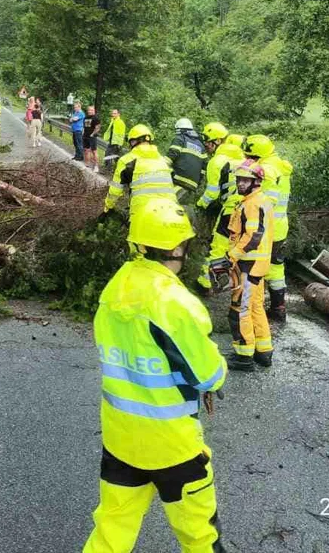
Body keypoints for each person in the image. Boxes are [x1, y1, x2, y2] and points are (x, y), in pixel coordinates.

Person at [82, 197, 227, 553]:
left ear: (140, 244)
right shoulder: (175, 303)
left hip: (121, 439)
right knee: (200, 537)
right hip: (173, 447)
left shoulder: (114, 289)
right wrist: (218, 370)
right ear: (178, 246)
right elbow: (207, 376)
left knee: (110, 533)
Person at [226, 162, 274, 372]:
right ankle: (263, 352)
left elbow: (253, 237)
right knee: (255, 307)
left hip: (248, 264)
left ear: (256, 182)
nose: (240, 183)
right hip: (257, 265)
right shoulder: (257, 201)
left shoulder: (252, 204)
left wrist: (231, 256)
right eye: (238, 179)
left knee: (240, 310)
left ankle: (244, 356)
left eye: (244, 180)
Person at [242, 135, 294, 324]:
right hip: (280, 226)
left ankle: (255, 308)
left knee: (257, 265)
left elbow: (266, 202)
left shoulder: (267, 170)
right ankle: (278, 307)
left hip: (266, 227)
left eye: (250, 156)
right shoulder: (280, 166)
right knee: (276, 267)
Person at [194, 130, 244, 295]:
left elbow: (212, 193)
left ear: (218, 141)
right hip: (250, 209)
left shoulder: (217, 161)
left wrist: (200, 205)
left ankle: (205, 284)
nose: (206, 145)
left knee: (218, 247)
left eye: (208, 141)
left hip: (231, 210)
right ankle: (238, 286)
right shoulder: (244, 160)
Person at [104, 125, 178, 222]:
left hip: (141, 213)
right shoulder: (163, 161)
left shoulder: (126, 160)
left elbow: (115, 190)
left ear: (134, 141)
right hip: (169, 213)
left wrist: (108, 207)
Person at [167, 118, 207, 201]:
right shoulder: (201, 146)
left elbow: (170, 158)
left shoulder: (180, 139)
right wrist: (198, 183)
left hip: (178, 180)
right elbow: (203, 169)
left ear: (179, 129)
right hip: (192, 186)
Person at [83, 105, 102, 169]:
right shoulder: (86, 118)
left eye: (92, 110)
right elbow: (85, 127)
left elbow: (98, 128)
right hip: (85, 136)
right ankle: (87, 164)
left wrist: (93, 134)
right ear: (87, 111)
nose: (90, 111)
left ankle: (96, 166)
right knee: (86, 150)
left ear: (94, 111)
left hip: (92, 137)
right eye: (89, 110)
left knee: (94, 151)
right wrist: (83, 134)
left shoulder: (95, 118)